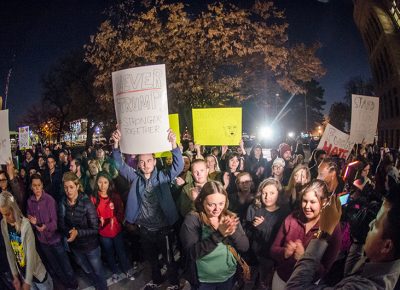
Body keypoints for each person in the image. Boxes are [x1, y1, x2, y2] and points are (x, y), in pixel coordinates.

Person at [111, 128, 183, 290]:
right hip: (144, 228)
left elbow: (178, 167)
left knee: (169, 258)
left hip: (163, 227)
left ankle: (174, 283)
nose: (145, 164)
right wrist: (116, 144)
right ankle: (157, 280)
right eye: (142, 162)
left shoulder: (163, 176)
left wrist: (173, 144)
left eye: (149, 161)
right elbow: (118, 164)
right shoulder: (134, 177)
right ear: (137, 164)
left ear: (154, 161)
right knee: (151, 259)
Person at [286, 189, 400, 290]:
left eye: (375, 224)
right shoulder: (383, 264)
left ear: (387, 246)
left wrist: (323, 233)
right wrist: (358, 241)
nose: (370, 224)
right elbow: (351, 276)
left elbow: (294, 287)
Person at [270, 180, 342, 289]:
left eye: (312, 202)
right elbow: (273, 250)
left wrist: (304, 258)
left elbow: (325, 269)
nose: (307, 206)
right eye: (304, 201)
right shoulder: (292, 219)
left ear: (324, 202)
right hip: (281, 279)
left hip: (306, 285)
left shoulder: (331, 228)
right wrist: (284, 252)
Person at [180, 180, 249, 289]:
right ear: (202, 201)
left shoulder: (229, 217)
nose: (217, 209)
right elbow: (191, 254)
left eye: (221, 203)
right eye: (211, 204)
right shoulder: (193, 219)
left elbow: (245, 247)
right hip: (204, 280)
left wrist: (233, 232)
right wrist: (219, 234)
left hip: (228, 276)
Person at [26, 174, 78, 289]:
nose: (37, 188)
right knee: (56, 267)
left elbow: (55, 223)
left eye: (39, 185)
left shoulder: (49, 200)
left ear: (42, 185)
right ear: (31, 187)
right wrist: (34, 224)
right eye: (34, 186)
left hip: (55, 240)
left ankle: (74, 285)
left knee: (66, 266)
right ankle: (66, 285)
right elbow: (30, 219)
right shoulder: (30, 202)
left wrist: (45, 227)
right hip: (43, 242)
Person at [58, 172, 107, 290]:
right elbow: (61, 224)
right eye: (65, 187)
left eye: (71, 187)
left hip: (91, 247)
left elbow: (95, 228)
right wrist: (69, 232)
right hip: (76, 247)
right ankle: (97, 285)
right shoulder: (63, 203)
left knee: (98, 271)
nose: (68, 190)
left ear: (77, 186)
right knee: (86, 269)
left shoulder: (86, 203)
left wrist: (77, 233)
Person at [0, 191, 53, 290]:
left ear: (14, 209)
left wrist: (27, 282)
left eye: (7, 214)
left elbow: (30, 254)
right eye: (3, 214)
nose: (6, 218)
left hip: (36, 271)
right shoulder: (3, 224)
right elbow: (9, 251)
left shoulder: (25, 225)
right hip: (23, 272)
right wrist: (15, 275)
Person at [244, 178, 289, 290]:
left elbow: (279, 240)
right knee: (250, 281)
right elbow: (248, 235)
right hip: (253, 256)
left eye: (272, 193)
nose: (267, 197)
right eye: (264, 193)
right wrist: (251, 226)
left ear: (279, 194)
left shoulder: (284, 213)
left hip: (269, 259)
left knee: (264, 284)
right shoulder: (255, 208)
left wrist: (262, 227)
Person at [90, 171, 133, 282]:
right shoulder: (93, 198)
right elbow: (92, 215)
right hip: (103, 232)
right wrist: (99, 220)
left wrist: (116, 220)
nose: (103, 185)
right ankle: (114, 272)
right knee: (109, 253)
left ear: (109, 183)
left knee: (121, 251)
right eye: (100, 182)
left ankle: (126, 269)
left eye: (105, 182)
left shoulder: (115, 196)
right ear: (96, 183)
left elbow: (120, 210)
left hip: (116, 230)